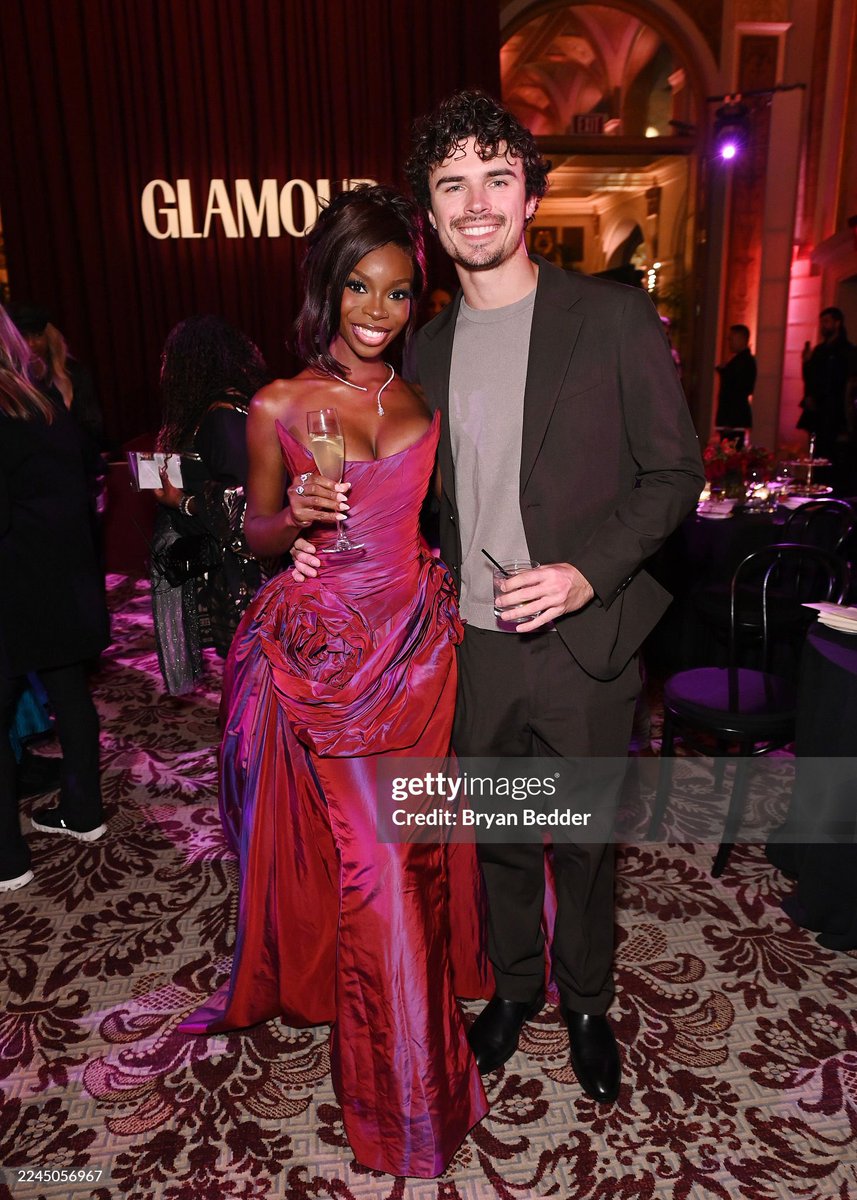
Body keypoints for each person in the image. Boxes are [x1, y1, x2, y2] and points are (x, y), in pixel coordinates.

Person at [396, 90, 704, 1103]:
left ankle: (583, 1004)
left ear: (529, 196)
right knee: (496, 838)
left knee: (579, 842)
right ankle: (513, 992)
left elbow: (673, 475)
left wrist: (583, 572)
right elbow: (422, 499)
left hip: (585, 640)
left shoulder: (608, 317)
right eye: (452, 184)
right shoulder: (425, 349)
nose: (474, 201)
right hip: (477, 646)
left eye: (495, 177)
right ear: (432, 215)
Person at [179, 185, 490, 1178]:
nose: (376, 310)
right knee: (382, 878)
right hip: (327, 665)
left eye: (397, 293)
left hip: (419, 655)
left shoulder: (419, 390)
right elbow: (256, 530)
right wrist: (295, 522)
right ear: (326, 286)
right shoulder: (279, 401)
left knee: (421, 861)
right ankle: (406, 1113)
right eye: (358, 286)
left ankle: (423, 1052)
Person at [0, 305, 109, 891]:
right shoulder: (40, 399)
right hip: (64, 577)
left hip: (15, 587)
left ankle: (7, 860)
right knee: (70, 693)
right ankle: (83, 811)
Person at [151, 316, 271, 695]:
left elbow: (245, 501)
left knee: (254, 675)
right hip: (227, 565)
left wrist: (181, 501)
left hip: (243, 575)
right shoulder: (226, 408)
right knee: (246, 673)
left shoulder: (223, 414)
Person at [799, 307, 857, 491]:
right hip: (819, 414)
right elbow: (812, 379)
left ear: (837, 323)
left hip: (837, 415)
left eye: (827, 322)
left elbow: (849, 385)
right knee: (817, 457)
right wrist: (806, 364)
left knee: (837, 460)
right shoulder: (820, 351)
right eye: (822, 322)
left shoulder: (848, 351)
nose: (823, 326)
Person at [715, 323, 756, 447]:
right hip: (733, 418)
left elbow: (737, 391)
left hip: (733, 419)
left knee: (731, 453)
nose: (729, 342)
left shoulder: (744, 362)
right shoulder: (741, 361)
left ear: (742, 339)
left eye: (731, 338)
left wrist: (729, 421)